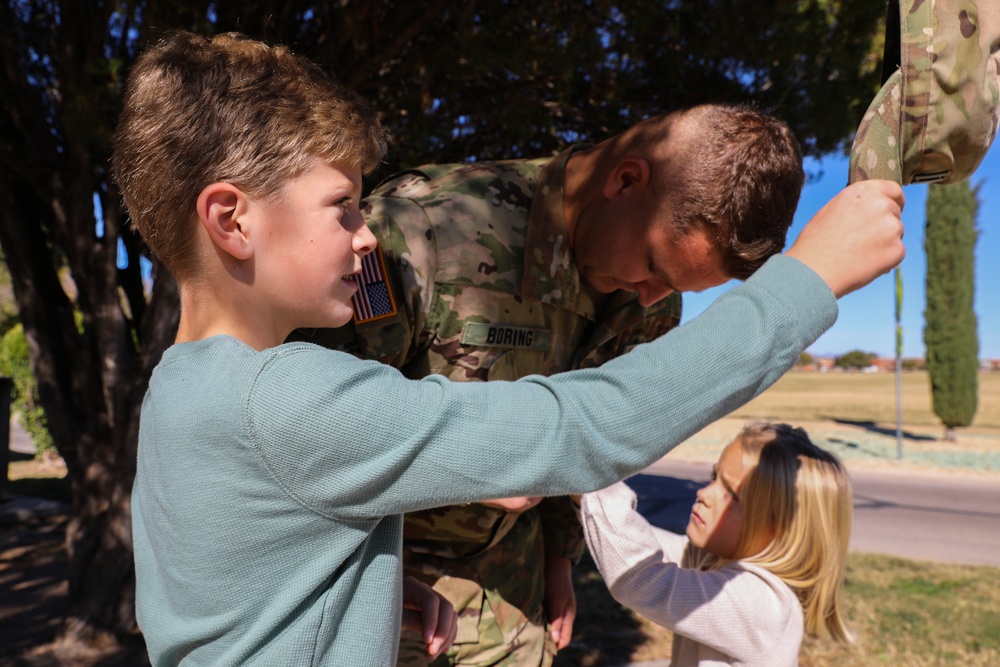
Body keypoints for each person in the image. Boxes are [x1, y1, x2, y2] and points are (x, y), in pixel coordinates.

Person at [113, 30, 904, 667]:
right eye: (345, 208)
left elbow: (236, 586)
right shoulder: (292, 396)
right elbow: (576, 425)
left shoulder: (181, 388)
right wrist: (806, 283)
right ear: (231, 218)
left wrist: (370, 589)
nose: (366, 237)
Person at [299, 102, 806, 667]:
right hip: (387, 591)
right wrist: (459, 460)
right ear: (626, 181)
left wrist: (559, 556)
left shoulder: (647, 302)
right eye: (654, 267)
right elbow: (308, 423)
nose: (651, 299)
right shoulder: (422, 233)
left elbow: (596, 447)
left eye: (676, 287)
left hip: (515, 600)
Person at [579, 421, 854, 666]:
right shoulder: (712, 560)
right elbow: (645, 545)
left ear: (780, 530)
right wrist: (579, 494)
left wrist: (587, 471)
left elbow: (639, 577)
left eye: (731, 494)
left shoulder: (764, 603)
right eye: (714, 477)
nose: (704, 493)